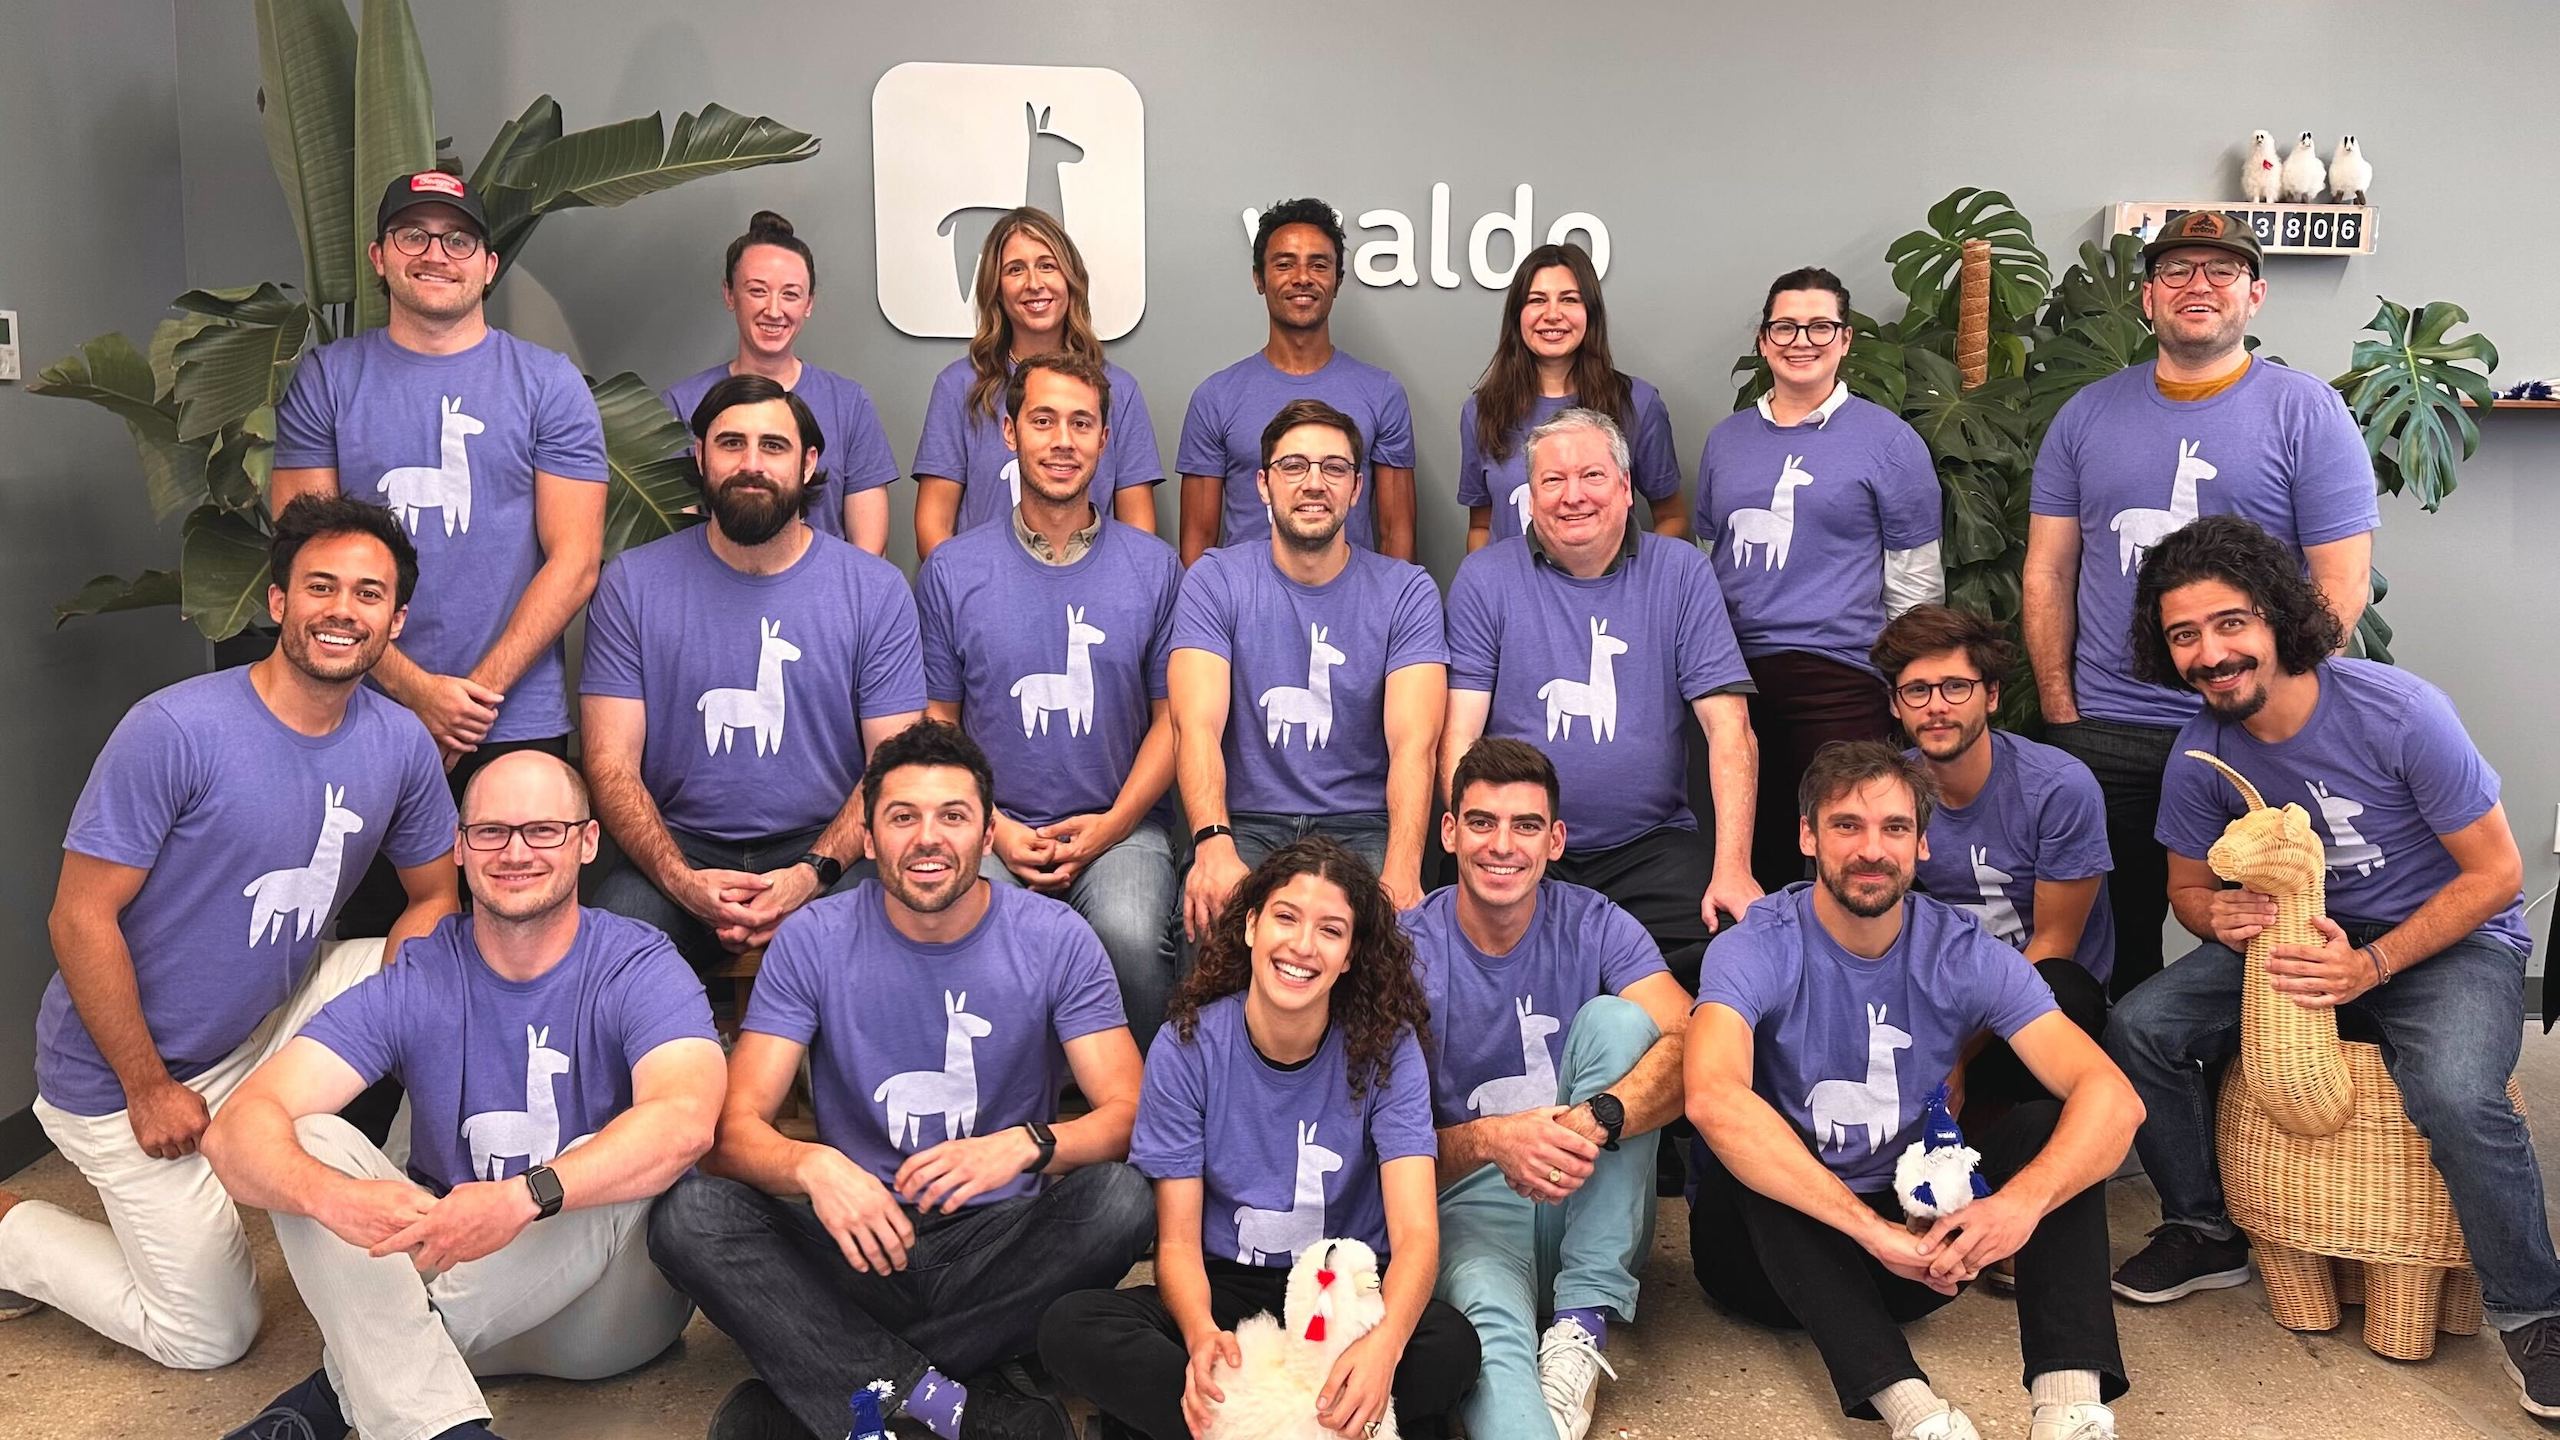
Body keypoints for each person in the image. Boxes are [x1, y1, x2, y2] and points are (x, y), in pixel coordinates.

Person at [2103, 516, 2560, 1420]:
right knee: (2140, 1029)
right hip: (2292, 941)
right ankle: (2204, 1228)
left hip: (2444, 940)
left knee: (2457, 1089)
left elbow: (2497, 875)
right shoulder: (2201, 752)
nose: (2209, 652)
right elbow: (2187, 890)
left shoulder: (2400, 712)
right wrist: (2217, 915)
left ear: (2276, 617)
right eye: (2184, 635)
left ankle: (2534, 1308)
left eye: (2229, 623)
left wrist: (2376, 962)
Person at [0, 497, 459, 1363]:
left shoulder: (399, 741)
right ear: (279, 601)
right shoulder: (174, 730)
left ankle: (412, 1195)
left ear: (394, 622)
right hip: (124, 1070)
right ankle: (11, 1231)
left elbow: (434, 898)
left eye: (368, 595)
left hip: (267, 1020)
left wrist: (415, 990)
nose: (342, 610)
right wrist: (146, 1087)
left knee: (455, 970)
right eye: (320, 586)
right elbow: (78, 916)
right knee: (211, 1336)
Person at [647, 722, 1155, 1440]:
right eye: (902, 817)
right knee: (690, 1218)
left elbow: (1130, 1113)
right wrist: (812, 1164)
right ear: (866, 836)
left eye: (952, 816)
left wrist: (1026, 1144)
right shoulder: (813, 938)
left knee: (1122, 1202)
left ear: (987, 836)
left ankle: (827, 1391)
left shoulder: (1055, 939)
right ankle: (963, 1407)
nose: (928, 838)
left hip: (1000, 1244)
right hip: (855, 1239)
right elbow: (729, 1135)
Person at [203, 751, 726, 1440]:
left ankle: (339, 1392)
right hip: (447, 1277)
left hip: (603, 1315)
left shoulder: (638, 964)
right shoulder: (421, 975)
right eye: (490, 832)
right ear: (459, 846)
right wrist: (332, 1196)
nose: (515, 852)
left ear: (586, 841)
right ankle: (443, 1427)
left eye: (543, 830)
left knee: (625, 1145)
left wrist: (521, 1198)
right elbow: (235, 1130)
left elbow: (687, 1121)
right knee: (305, 1140)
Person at [1687, 742, 2137, 1440]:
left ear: (1922, 844)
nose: (1873, 849)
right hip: (1763, 1259)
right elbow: (1713, 1095)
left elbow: (2113, 1098)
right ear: (1808, 836)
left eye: (1894, 828)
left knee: (2056, 1127)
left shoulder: (1958, 948)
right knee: (1754, 1140)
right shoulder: (1758, 943)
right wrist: (1871, 1233)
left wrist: (2017, 1207)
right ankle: (1916, 1416)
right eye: (1847, 826)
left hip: (1915, 1252)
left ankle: (2068, 1408)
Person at [2023, 211, 2377, 1000]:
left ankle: (2265, 1106)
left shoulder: (2306, 411)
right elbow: (2047, 571)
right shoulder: (2085, 415)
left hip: (2252, 724)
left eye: (2220, 272)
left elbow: (2342, 579)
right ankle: (2125, 1113)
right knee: (2113, 944)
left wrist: (2273, 698)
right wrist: (2060, 705)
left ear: (2254, 295)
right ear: (2148, 298)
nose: (2198, 287)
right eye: (2177, 272)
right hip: (2109, 731)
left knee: (2277, 930)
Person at [1040, 836, 1482, 1440]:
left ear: (1350, 955)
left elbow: (1415, 1235)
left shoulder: (1388, 1048)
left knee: (1450, 1345)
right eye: (1286, 918)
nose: (1303, 945)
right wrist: (1199, 1337)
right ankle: (1317, 1424)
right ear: (1250, 926)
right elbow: (1177, 1245)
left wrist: (1383, 1349)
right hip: (1231, 1292)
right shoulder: (1188, 1044)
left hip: (1340, 1299)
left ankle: (1236, 1423)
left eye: (1331, 930)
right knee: (1071, 1324)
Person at [271, 170, 607, 936]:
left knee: (521, 937)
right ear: (380, 256)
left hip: (514, 718)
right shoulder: (326, 380)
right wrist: (417, 690)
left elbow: (576, 561)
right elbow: (304, 564)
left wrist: (468, 703)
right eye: (413, 236)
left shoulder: (548, 384)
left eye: (458, 239)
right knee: (367, 936)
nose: (436, 254)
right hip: (355, 710)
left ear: (488, 265)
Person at [582, 373, 924, 973]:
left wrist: (810, 874)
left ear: (809, 463)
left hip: (828, 845)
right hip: (677, 845)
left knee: (881, 956)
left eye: (773, 446)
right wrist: (680, 879)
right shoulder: (632, 585)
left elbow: (890, 766)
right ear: (700, 456)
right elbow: (610, 763)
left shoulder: (875, 591)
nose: (751, 464)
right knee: (608, 956)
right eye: (731, 443)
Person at [1404, 739, 1693, 1440]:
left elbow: (1696, 1048)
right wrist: (1494, 1138)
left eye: (1526, 825)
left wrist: (1596, 1118)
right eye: (1481, 822)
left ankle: (1581, 1321)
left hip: (1590, 1190)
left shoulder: (1595, 921)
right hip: (1472, 1210)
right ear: (1449, 833)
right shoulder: (1405, 948)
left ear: (1555, 839)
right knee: (1492, 1349)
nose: (1503, 845)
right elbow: (1380, 1145)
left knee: (1620, 1021)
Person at [919, 351, 1185, 1052]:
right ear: (1010, 434)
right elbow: (939, 724)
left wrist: (1111, 825)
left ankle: (1143, 1127)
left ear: (1105, 439)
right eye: (1043, 421)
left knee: (1130, 935)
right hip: (989, 829)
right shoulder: (952, 570)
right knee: (963, 930)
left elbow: (1174, 724)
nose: (1062, 441)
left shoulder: (1155, 568)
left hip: (1122, 829)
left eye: (1081, 423)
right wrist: (992, 826)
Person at [1442, 406, 1758, 988]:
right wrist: (1482, 845)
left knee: (1727, 964)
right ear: (1530, 498)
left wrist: (1733, 867)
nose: (1572, 496)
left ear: (1625, 486)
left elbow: (1729, 730)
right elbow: (1458, 735)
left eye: (1591, 476)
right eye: (1552, 481)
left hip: (1651, 848)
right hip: (1521, 847)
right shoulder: (1484, 579)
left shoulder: (1682, 572)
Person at [1695, 267, 1943, 893]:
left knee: (1839, 858)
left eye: (1819, 326)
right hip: (1731, 683)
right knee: (1744, 861)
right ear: (1762, 339)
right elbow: (1707, 559)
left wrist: (1897, 678)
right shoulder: (1726, 443)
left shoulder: (1890, 442)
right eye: (1785, 326)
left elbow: (1916, 585)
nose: (1800, 339)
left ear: (1845, 339)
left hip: (1839, 680)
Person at [1170, 398, 1447, 941]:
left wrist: (1403, 867)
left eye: (1334, 468)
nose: (1314, 483)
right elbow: (1195, 725)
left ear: (1357, 488)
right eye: (1293, 466)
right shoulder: (1216, 580)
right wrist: (1213, 842)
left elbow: (1416, 744)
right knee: (1211, 927)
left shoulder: (1406, 591)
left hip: (1364, 823)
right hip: (1246, 821)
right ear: (1263, 485)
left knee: (1398, 950)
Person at [1871, 605, 2111, 1110]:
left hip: (2039, 999)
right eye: (1917, 690)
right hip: (1938, 993)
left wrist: (1958, 1052)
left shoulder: (2058, 788)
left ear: (1993, 695)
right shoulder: (1885, 793)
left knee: (2063, 988)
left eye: (1956, 686)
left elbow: (2054, 945)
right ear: (1896, 705)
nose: (1936, 706)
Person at [913, 206, 1163, 559]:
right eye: (1015, 270)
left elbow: (1138, 526)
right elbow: (933, 524)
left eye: (1047, 265)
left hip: (1089, 600)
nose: (1034, 283)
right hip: (987, 596)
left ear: (1071, 279)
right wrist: (965, 593)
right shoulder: (959, 386)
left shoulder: (1117, 390)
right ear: (995, 288)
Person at [1177, 198, 1417, 564]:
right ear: (1259, 278)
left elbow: (1396, 533)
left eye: (1318, 265)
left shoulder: (1382, 394)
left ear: (1337, 281)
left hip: (1351, 614)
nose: (1302, 278)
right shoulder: (1216, 397)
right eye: (1284, 264)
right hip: (1244, 615)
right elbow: (1197, 541)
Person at [663, 211, 903, 553]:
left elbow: (869, 549)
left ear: (809, 304)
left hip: (826, 599)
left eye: (790, 294)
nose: (774, 311)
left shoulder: (848, 403)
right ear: (729, 295)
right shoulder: (682, 404)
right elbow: (676, 543)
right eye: (757, 291)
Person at [1457, 241, 1684, 551]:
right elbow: (1482, 525)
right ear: (1517, 315)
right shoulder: (1482, 411)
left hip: (1607, 596)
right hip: (1511, 598)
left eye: (1569, 299)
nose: (1552, 314)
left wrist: (1634, 584)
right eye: (1537, 300)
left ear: (1590, 311)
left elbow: (1672, 516)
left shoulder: (1638, 404)